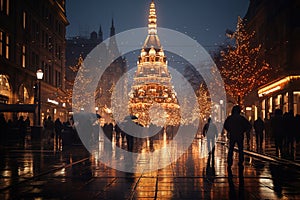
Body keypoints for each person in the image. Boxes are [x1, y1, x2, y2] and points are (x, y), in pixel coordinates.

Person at [224, 105, 252, 175]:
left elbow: (225, 125)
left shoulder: (230, 118)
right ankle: (240, 161)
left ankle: (230, 162)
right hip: (240, 135)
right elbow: (249, 125)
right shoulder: (241, 118)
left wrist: (230, 130)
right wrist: (243, 130)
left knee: (231, 148)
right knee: (240, 149)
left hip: (233, 134)